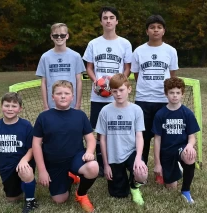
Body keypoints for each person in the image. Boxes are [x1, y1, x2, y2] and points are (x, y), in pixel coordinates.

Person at [32, 80, 99, 213]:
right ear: (52, 97)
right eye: (59, 93)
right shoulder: (43, 117)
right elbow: (36, 144)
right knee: (59, 199)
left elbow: (91, 140)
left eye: (67, 93)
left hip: (76, 157)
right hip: (54, 163)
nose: (63, 96)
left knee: (93, 166)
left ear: (72, 96)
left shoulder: (79, 115)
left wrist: (90, 151)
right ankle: (71, 177)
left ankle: (81, 194)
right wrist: (42, 170)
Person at [83, 6, 133, 176]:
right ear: (101, 21)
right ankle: (102, 165)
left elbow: (127, 68)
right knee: (99, 131)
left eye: (112, 17)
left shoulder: (124, 43)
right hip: (98, 96)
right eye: (105, 18)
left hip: (117, 96)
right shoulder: (93, 43)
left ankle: (122, 160)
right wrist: (97, 83)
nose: (108, 20)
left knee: (118, 128)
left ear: (117, 21)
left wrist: (117, 85)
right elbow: (89, 67)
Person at [131, 15, 179, 183]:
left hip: (162, 101)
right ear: (147, 31)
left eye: (159, 27)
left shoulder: (171, 51)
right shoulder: (138, 51)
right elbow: (137, 75)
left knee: (164, 138)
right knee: (142, 138)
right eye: (152, 27)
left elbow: (172, 75)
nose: (156, 30)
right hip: (143, 101)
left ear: (164, 30)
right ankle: (140, 173)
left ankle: (162, 171)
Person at [95, 73, 148, 205]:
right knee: (119, 194)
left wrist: (138, 158)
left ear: (129, 89)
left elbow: (139, 136)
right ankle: (124, 184)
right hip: (114, 156)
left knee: (141, 173)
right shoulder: (105, 111)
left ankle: (135, 188)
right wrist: (106, 165)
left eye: (121, 90)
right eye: (115, 91)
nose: (118, 94)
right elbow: (102, 139)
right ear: (110, 92)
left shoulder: (137, 110)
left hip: (131, 152)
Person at [0, 92, 38, 213]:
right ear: (1, 106)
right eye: (7, 105)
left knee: (26, 172)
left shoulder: (26, 125)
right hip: (6, 167)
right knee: (12, 199)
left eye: (14, 106)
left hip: (23, 163)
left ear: (20, 109)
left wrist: (24, 160)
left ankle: (30, 200)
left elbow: (32, 148)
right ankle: (26, 186)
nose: (10, 109)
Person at [152, 77, 200, 204]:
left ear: (182, 94)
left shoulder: (187, 113)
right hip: (166, 152)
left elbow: (192, 137)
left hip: (181, 149)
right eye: (171, 92)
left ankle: (186, 191)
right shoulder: (160, 114)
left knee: (190, 156)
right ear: (166, 94)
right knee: (171, 187)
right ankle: (175, 169)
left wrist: (190, 146)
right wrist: (157, 163)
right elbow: (157, 140)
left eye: (178, 93)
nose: (175, 96)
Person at [36, 23, 85, 110]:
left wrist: (78, 105)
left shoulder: (76, 56)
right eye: (56, 35)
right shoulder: (45, 57)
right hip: (52, 105)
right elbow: (43, 83)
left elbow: (79, 81)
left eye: (62, 35)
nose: (59, 38)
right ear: (51, 36)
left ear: (67, 36)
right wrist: (46, 106)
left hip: (71, 105)